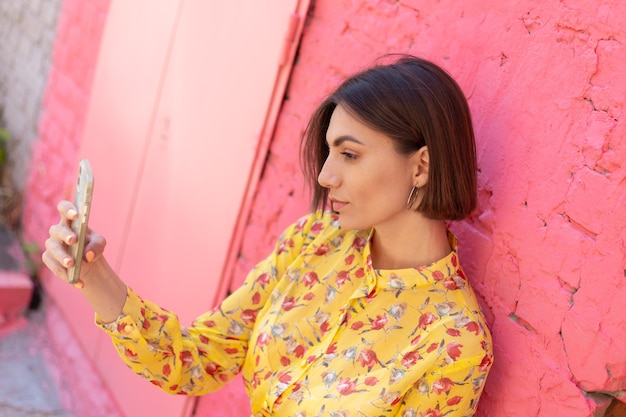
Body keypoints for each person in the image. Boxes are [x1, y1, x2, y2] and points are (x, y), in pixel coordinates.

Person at [43, 54, 493, 416]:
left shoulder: (453, 343)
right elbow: (197, 360)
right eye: (328, 154)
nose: (324, 177)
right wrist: (94, 273)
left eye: (349, 155)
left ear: (421, 165)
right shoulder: (315, 240)